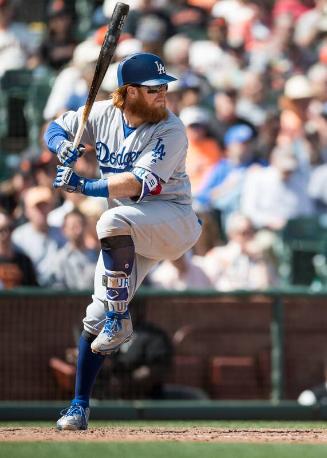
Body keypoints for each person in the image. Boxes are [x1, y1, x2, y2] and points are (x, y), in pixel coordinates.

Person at [44, 52, 202, 430]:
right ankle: (79, 406)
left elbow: (134, 186)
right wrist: (60, 147)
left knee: (112, 216)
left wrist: (81, 184)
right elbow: (55, 126)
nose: (162, 94)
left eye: (164, 87)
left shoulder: (171, 129)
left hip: (172, 221)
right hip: (129, 235)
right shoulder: (101, 114)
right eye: (152, 89)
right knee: (94, 318)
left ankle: (120, 317)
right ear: (129, 92)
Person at [51, 209, 98, 290]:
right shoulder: (60, 258)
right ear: (64, 230)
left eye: (80, 225)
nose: (78, 231)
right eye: (73, 227)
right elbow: (57, 288)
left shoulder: (97, 255)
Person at [0, 210, 38, 288]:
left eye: (9, 229)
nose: (5, 234)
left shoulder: (24, 261)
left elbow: (33, 290)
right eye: (1, 230)